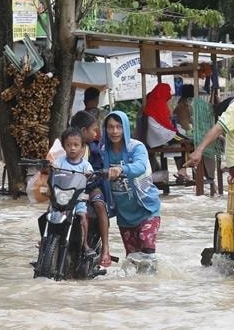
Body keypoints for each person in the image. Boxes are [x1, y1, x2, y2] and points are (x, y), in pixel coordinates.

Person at [101, 111, 161, 266]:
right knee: (133, 259)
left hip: (146, 209)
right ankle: (137, 289)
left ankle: (150, 286)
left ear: (125, 128)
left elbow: (140, 166)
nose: (114, 131)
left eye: (119, 127)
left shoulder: (136, 147)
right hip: (124, 215)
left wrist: (122, 170)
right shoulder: (103, 151)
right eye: (110, 127)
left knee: (147, 249)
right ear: (105, 129)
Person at [69, 110, 111, 267]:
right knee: (53, 204)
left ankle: (106, 247)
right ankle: (46, 240)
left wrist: (98, 173)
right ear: (83, 130)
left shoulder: (94, 148)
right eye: (94, 129)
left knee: (100, 205)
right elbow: (55, 158)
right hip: (69, 188)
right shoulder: (65, 145)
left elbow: (100, 167)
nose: (96, 133)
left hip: (91, 187)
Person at [53, 127, 96, 258]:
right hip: (61, 197)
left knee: (82, 215)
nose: (72, 148)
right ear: (64, 146)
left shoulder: (85, 165)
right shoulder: (59, 162)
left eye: (76, 145)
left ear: (82, 147)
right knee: (50, 214)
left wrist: (90, 175)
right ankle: (46, 239)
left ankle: (85, 244)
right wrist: (50, 168)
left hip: (78, 198)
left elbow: (92, 176)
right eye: (68, 145)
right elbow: (52, 171)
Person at [172, 84, 194, 181]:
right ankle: (183, 170)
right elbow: (185, 124)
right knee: (189, 143)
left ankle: (183, 170)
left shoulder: (183, 104)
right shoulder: (183, 106)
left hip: (179, 132)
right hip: (180, 133)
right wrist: (190, 132)